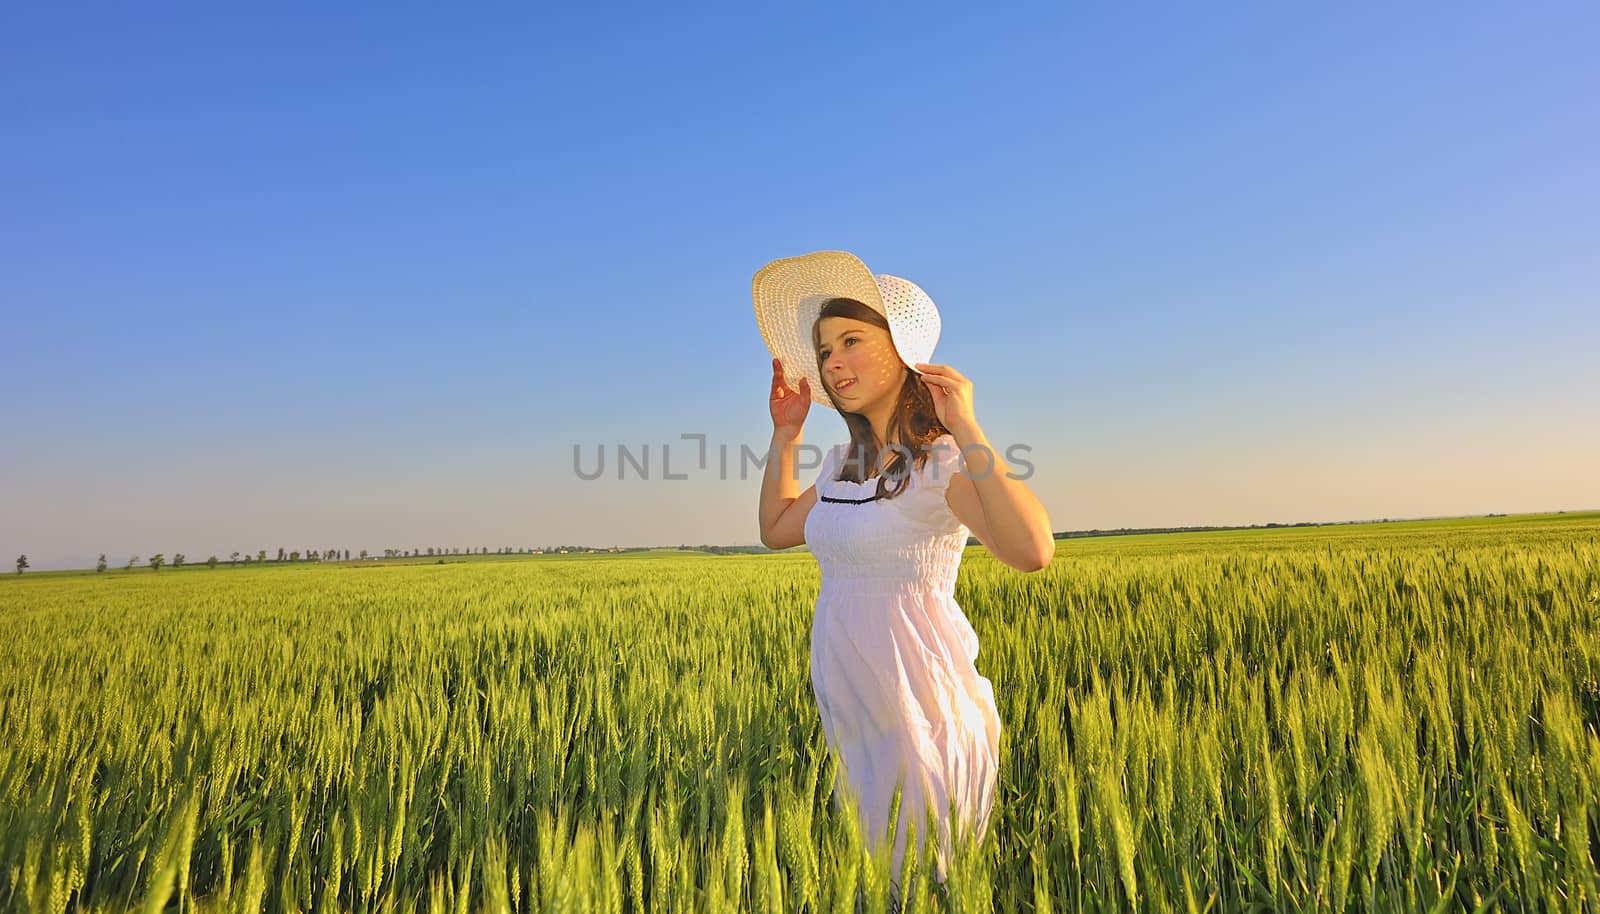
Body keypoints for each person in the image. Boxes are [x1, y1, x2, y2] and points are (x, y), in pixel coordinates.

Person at [753, 251, 1054, 903]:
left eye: (851, 342)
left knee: (915, 888)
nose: (831, 362)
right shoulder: (840, 466)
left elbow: (1032, 550)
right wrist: (786, 434)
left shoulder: (942, 464)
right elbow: (777, 527)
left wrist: (967, 426)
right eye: (824, 348)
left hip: (923, 718)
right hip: (855, 720)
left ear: (902, 355)